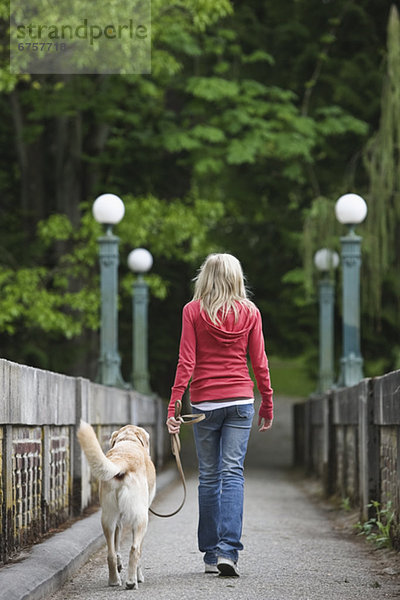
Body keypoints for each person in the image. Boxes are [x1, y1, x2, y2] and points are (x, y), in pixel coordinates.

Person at [166, 253, 273, 577]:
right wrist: (266, 401)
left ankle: (211, 553)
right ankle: (229, 551)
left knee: (210, 477)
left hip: (205, 405)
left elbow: (186, 362)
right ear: (236, 278)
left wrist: (174, 406)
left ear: (205, 277)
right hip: (241, 401)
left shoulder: (192, 311)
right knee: (233, 474)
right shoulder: (250, 312)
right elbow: (260, 362)